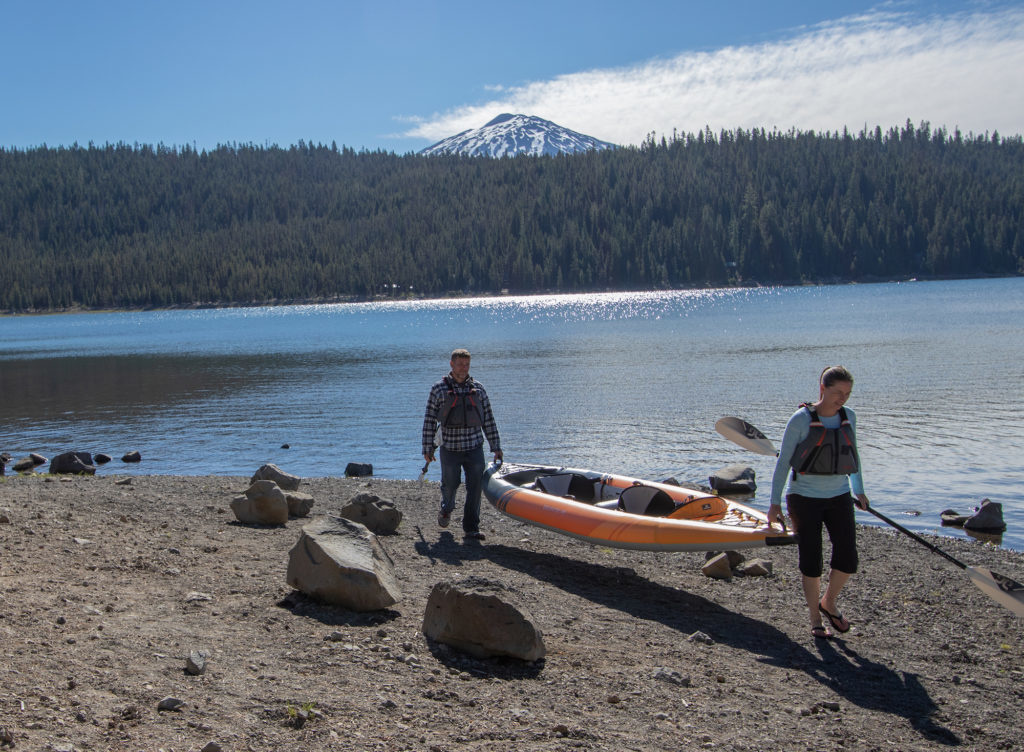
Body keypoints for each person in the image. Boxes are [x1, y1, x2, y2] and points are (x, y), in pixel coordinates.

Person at [768, 365, 870, 640]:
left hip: (838, 495)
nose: (843, 399)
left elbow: (853, 454)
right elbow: (783, 463)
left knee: (848, 559)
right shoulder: (800, 419)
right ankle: (815, 617)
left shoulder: (849, 417)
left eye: (847, 393)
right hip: (804, 499)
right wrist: (774, 503)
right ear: (822, 388)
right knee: (811, 560)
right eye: (838, 393)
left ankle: (829, 602)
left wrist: (859, 490)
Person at [422, 348, 502, 540]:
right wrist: (427, 448)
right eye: (460, 364)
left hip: (474, 447)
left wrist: (496, 446)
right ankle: (447, 508)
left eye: (466, 364)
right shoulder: (438, 389)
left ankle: (471, 527)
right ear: (452, 364)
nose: (463, 368)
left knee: (475, 487)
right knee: (450, 485)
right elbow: (429, 420)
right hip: (450, 448)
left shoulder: (479, 389)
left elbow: (488, 419)